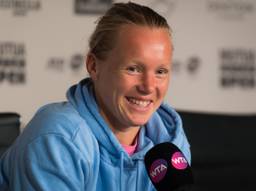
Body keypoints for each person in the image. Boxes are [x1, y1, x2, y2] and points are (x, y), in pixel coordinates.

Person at [0, 2, 191, 191]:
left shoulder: (171, 143)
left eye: (161, 71)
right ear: (93, 66)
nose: (148, 87)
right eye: (133, 69)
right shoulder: (58, 138)